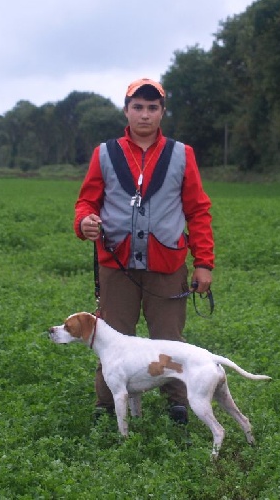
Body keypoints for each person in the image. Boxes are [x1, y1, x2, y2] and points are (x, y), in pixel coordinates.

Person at [73, 78, 215, 424]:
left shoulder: (183, 154)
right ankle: (106, 407)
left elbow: (197, 210)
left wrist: (204, 264)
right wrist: (84, 223)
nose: (145, 114)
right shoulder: (104, 153)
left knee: (169, 338)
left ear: (162, 112)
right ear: (126, 110)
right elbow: (86, 202)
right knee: (109, 337)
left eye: (153, 108)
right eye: (138, 107)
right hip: (116, 264)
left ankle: (176, 404)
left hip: (166, 264)